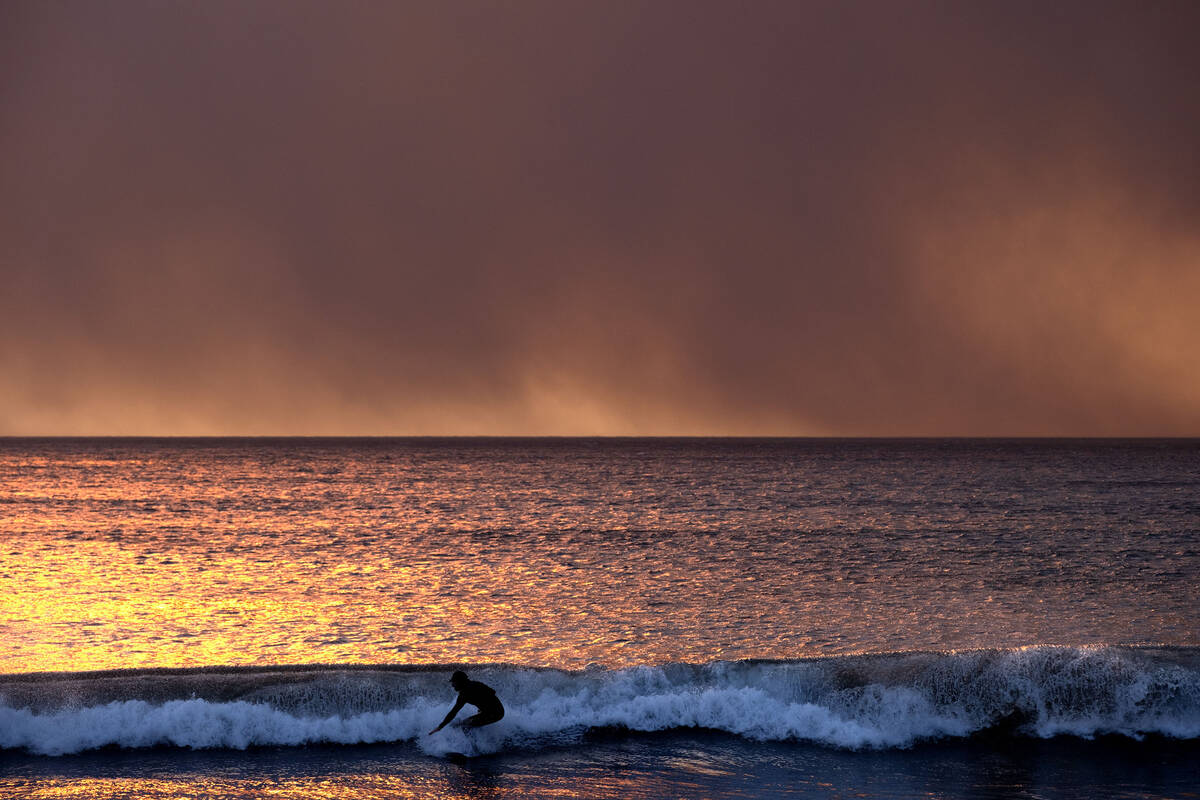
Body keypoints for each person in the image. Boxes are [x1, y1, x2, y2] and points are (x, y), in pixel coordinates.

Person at [428, 670, 504, 734]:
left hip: (496, 713)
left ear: (459, 682)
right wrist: (483, 707)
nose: (452, 685)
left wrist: (440, 727)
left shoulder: (465, 694)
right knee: (461, 724)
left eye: (453, 682)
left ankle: (473, 748)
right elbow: (453, 712)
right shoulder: (474, 685)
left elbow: (492, 692)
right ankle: (480, 743)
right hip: (492, 712)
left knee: (464, 726)